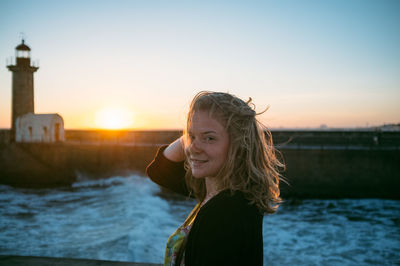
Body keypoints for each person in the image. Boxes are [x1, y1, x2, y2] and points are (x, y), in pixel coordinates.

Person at [146, 91, 284, 266]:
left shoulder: (225, 212)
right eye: (191, 137)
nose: (193, 148)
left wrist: (198, 130)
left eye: (210, 138)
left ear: (239, 145)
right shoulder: (217, 189)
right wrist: (197, 130)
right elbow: (159, 169)